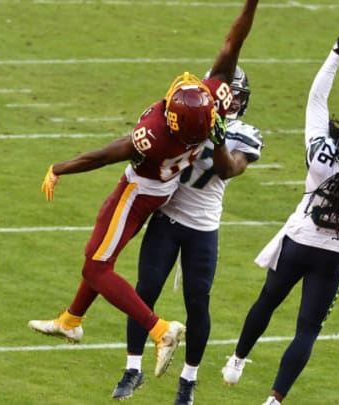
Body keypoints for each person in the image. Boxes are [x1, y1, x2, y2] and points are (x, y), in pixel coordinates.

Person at [27, 0, 260, 380]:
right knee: (103, 250)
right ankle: (71, 319)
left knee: (96, 265)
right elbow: (236, 39)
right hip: (162, 187)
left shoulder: (155, 136)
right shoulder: (212, 108)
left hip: (140, 190)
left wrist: (59, 168)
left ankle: (159, 330)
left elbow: (103, 156)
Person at [220, 16, 339, 405]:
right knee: (307, 331)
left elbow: (318, 99)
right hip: (335, 253)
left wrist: (338, 51)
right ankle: (274, 401)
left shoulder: (322, 160)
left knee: (267, 300)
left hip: (300, 241)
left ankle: (236, 360)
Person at [110, 66, 264, 403]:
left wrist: (218, 138)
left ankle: (188, 381)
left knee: (197, 303)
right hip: (166, 216)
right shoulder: (187, 113)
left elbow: (229, 169)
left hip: (202, 227)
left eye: (238, 95)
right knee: (144, 290)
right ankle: (132, 368)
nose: (233, 100)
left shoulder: (245, 133)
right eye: (229, 93)